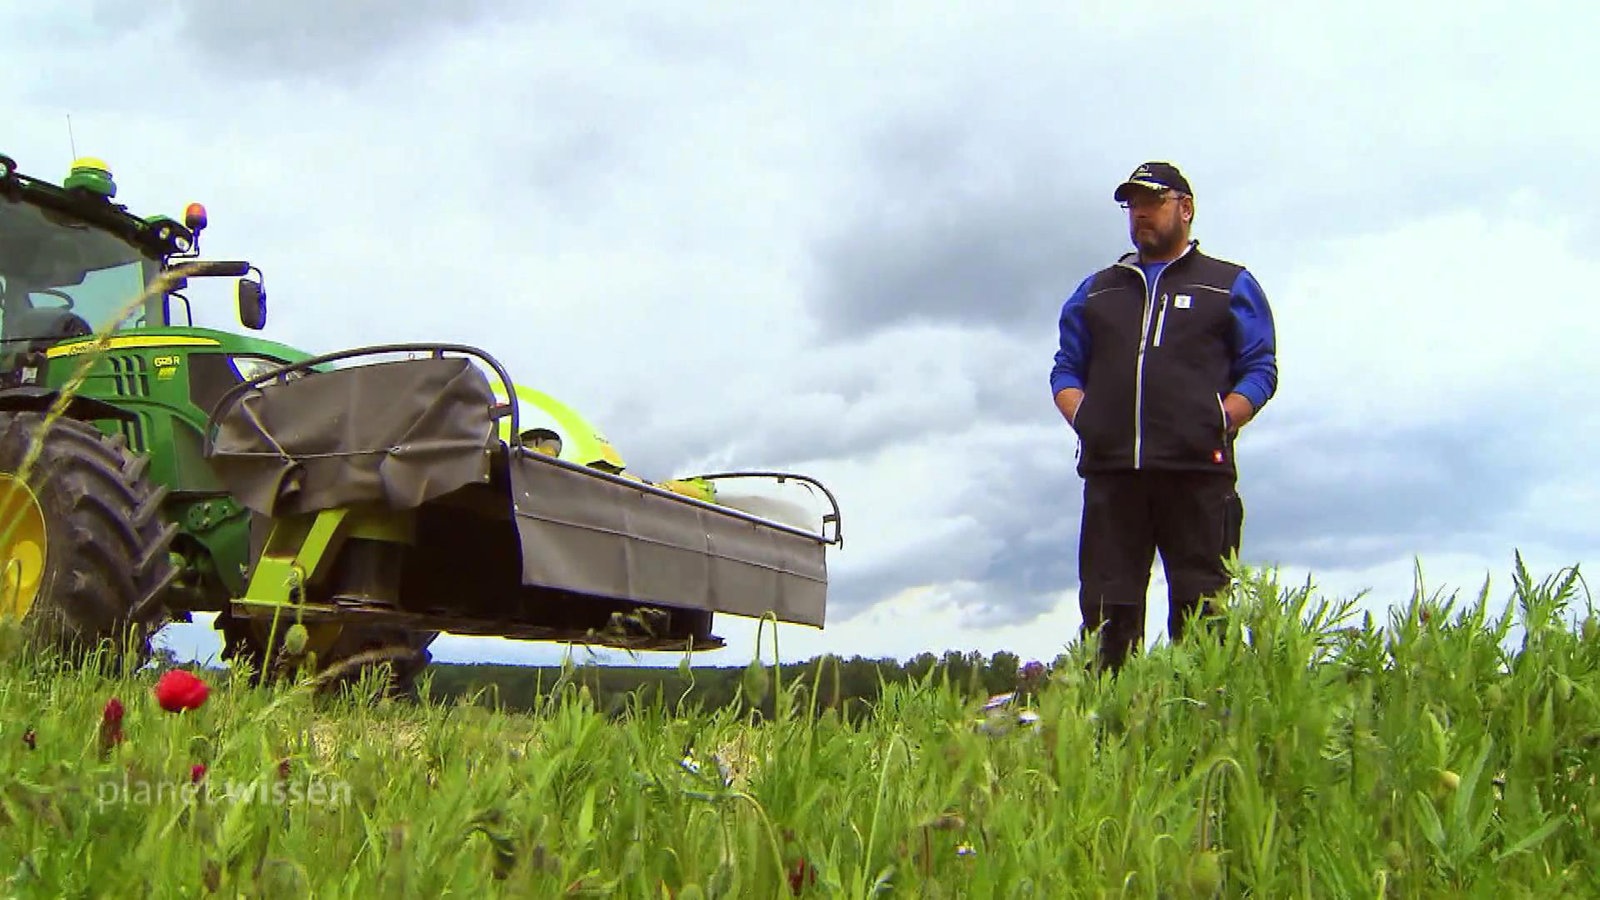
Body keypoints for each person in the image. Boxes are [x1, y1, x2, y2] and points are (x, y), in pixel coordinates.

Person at [1049, 161, 1278, 673]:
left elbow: (1260, 367)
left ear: (1186, 209)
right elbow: (1066, 367)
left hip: (1198, 475)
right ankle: (1111, 736)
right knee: (1108, 618)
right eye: (1133, 205)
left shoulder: (1229, 284)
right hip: (1113, 479)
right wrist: (1085, 417)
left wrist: (1219, 418)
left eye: (1153, 202)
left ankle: (1201, 735)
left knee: (1204, 616)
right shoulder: (1098, 290)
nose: (1141, 214)